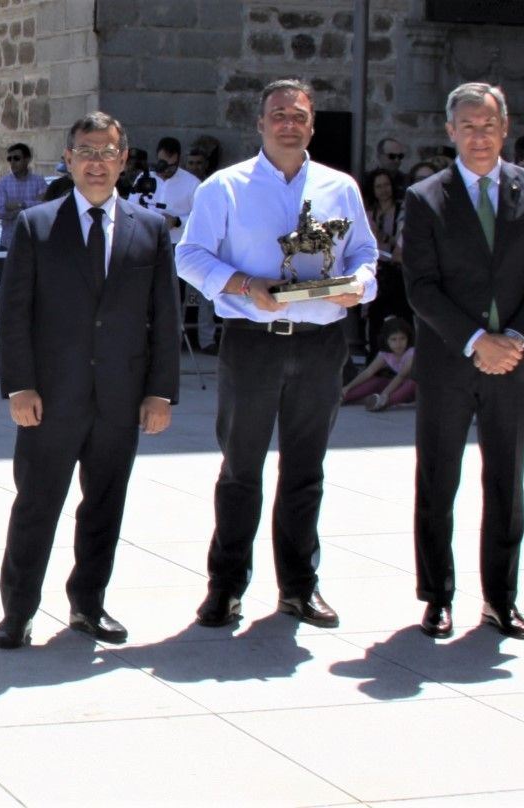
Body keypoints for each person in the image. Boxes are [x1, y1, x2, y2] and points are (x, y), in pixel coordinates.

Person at [176, 78, 379, 630]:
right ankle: (226, 588)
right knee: (240, 470)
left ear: (312, 125)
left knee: (305, 470)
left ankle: (299, 587)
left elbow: (365, 252)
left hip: (320, 343)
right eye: (279, 115)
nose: (289, 124)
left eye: (299, 116)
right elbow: (189, 256)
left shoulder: (340, 187)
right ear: (261, 124)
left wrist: (359, 285)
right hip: (253, 343)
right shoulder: (225, 187)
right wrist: (243, 284)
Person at [0, 112, 179, 650]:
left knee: (104, 507)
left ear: (124, 160)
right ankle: (17, 612)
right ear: (69, 159)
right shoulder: (37, 225)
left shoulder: (150, 230)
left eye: (108, 152)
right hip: (50, 399)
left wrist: (160, 392)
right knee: (36, 506)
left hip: (120, 399)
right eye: (87, 152)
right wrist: (20, 386)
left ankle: (89, 604)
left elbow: (165, 316)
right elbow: (14, 312)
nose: (97, 163)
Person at [400, 82, 524, 641]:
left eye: (488, 125)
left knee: (506, 483)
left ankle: (501, 599)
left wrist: (512, 338)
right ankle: (437, 597)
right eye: (467, 126)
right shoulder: (425, 197)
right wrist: (476, 340)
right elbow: (421, 287)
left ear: (505, 127)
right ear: (450, 131)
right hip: (450, 362)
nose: (478, 136)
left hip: (516, 360)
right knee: (437, 482)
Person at [148, 137, 209, 350]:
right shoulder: (146, 179)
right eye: (162, 163)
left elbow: (201, 218)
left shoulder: (192, 184)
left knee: (174, 295)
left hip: (176, 245)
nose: (165, 170)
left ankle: (174, 341)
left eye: (171, 165)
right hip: (147, 243)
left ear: (178, 160)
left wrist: (177, 221)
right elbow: (130, 205)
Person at [361, 168, 411, 360]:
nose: (384, 190)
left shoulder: (402, 210)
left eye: (386, 185)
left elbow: (401, 242)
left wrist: (382, 236)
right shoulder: (368, 213)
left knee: (402, 318)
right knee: (375, 319)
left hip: (397, 271)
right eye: (379, 186)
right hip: (376, 272)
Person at [340, 317, 416, 411]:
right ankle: (342, 397)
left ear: (408, 339)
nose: (398, 343)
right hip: (398, 385)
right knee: (377, 381)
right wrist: (348, 387)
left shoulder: (412, 353)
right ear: (386, 340)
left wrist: (385, 393)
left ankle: (382, 403)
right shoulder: (385, 354)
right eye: (393, 339)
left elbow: (401, 376)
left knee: (411, 383)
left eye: (402, 338)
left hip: (415, 390)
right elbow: (368, 372)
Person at [0, 143, 45, 252]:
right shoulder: (2, 183)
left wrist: (20, 204)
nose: (12, 162)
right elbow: (0, 212)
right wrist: (31, 207)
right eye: (9, 159)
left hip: (33, 243)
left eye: (16, 158)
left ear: (27, 159)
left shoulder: (39, 181)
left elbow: (44, 206)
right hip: (9, 243)